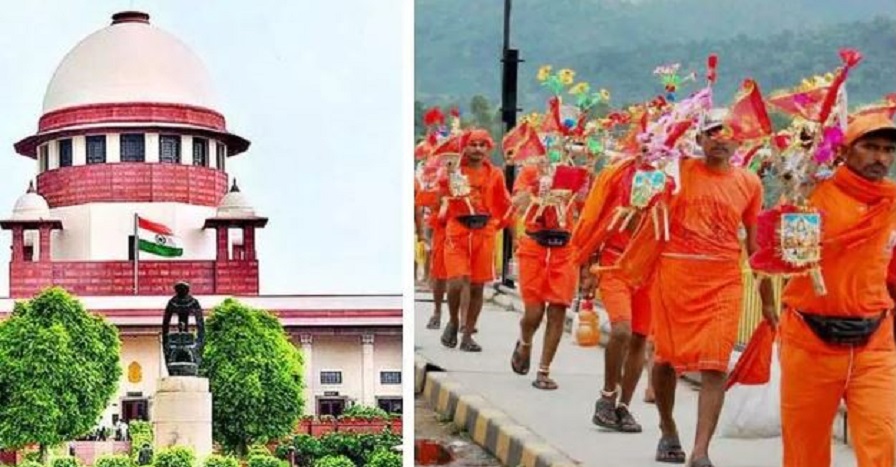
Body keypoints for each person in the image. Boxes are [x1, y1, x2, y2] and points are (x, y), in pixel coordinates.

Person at [621, 108, 771, 465]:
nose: (720, 139)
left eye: (727, 133)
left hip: (723, 282)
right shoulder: (677, 173)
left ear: (738, 140)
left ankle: (700, 451)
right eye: (711, 133)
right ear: (699, 139)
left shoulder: (750, 183)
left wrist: (767, 302)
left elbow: (755, 245)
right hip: (674, 278)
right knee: (665, 361)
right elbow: (644, 214)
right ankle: (668, 428)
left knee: (716, 365)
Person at [779, 112, 896, 467]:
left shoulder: (892, 203)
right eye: (871, 147)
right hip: (810, 339)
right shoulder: (811, 196)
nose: (881, 158)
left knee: (884, 438)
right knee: (805, 449)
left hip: (874, 341)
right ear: (845, 150)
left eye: (888, 150)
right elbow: (788, 262)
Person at [572, 156, 657, 432]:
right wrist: (586, 268)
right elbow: (597, 219)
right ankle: (608, 396)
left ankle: (624, 407)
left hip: (649, 270)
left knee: (640, 339)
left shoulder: (673, 180)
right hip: (614, 264)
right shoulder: (619, 175)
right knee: (622, 330)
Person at [440, 129, 513, 351]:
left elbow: (504, 203)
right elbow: (443, 195)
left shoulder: (495, 174)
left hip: (483, 232)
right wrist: (449, 177)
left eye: (483, 145)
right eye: (473, 144)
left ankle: (468, 335)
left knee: (477, 286)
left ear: (488, 148)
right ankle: (453, 320)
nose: (478, 149)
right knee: (456, 281)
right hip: (458, 230)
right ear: (465, 146)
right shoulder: (455, 171)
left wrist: (498, 224)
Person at [509, 160, 579, 390]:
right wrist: (537, 188)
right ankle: (525, 342)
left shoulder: (574, 172)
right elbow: (517, 204)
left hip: (565, 250)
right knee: (534, 313)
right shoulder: (530, 171)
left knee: (558, 310)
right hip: (534, 249)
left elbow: (584, 206)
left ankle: (543, 370)